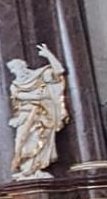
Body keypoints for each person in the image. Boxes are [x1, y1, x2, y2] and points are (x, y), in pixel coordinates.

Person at [8, 44, 68, 180]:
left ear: (22, 66)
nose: (13, 72)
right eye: (11, 69)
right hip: (24, 117)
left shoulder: (40, 76)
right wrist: (35, 97)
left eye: (14, 68)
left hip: (42, 115)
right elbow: (20, 96)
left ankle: (35, 169)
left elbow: (59, 71)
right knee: (21, 142)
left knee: (37, 140)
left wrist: (48, 55)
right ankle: (26, 169)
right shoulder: (15, 85)